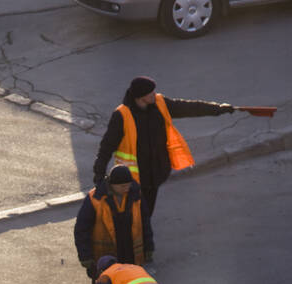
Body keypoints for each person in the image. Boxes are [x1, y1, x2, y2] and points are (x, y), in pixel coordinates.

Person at [93, 76, 239, 262]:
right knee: (132, 217)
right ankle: (132, 254)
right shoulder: (122, 116)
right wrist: (98, 174)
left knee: (145, 214)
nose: (155, 94)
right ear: (140, 97)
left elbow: (189, 108)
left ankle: (141, 251)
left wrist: (218, 109)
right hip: (132, 180)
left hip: (155, 175)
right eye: (150, 93)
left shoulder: (160, 103)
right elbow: (106, 147)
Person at [74, 164, 147, 279]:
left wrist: (148, 247)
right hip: (105, 256)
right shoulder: (95, 199)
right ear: (113, 185)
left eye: (128, 185)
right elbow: (82, 229)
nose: (126, 189)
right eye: (123, 186)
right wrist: (85, 256)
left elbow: (145, 222)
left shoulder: (135, 194)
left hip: (130, 253)